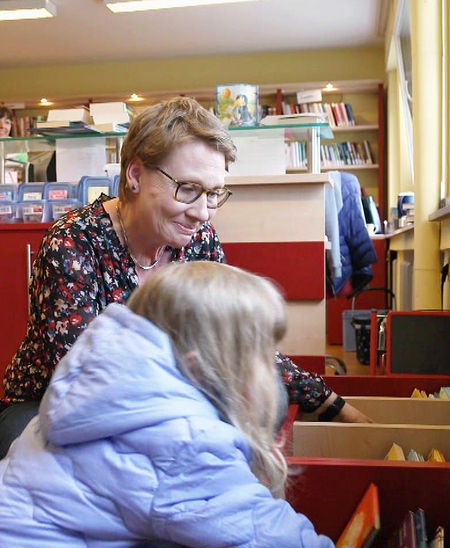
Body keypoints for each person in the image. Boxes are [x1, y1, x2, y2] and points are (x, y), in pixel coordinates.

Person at [0, 261, 398, 548]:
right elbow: (267, 532)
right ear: (202, 367)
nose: (271, 369)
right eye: (260, 354)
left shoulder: (107, 388)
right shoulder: (184, 441)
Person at [0, 95, 370, 460]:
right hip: (54, 402)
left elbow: (238, 335)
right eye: (189, 189)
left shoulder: (198, 239)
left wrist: (331, 404)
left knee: (267, 395)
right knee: (33, 451)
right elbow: (82, 377)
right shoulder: (72, 241)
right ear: (135, 175)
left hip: (168, 392)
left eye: (212, 194)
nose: (203, 214)